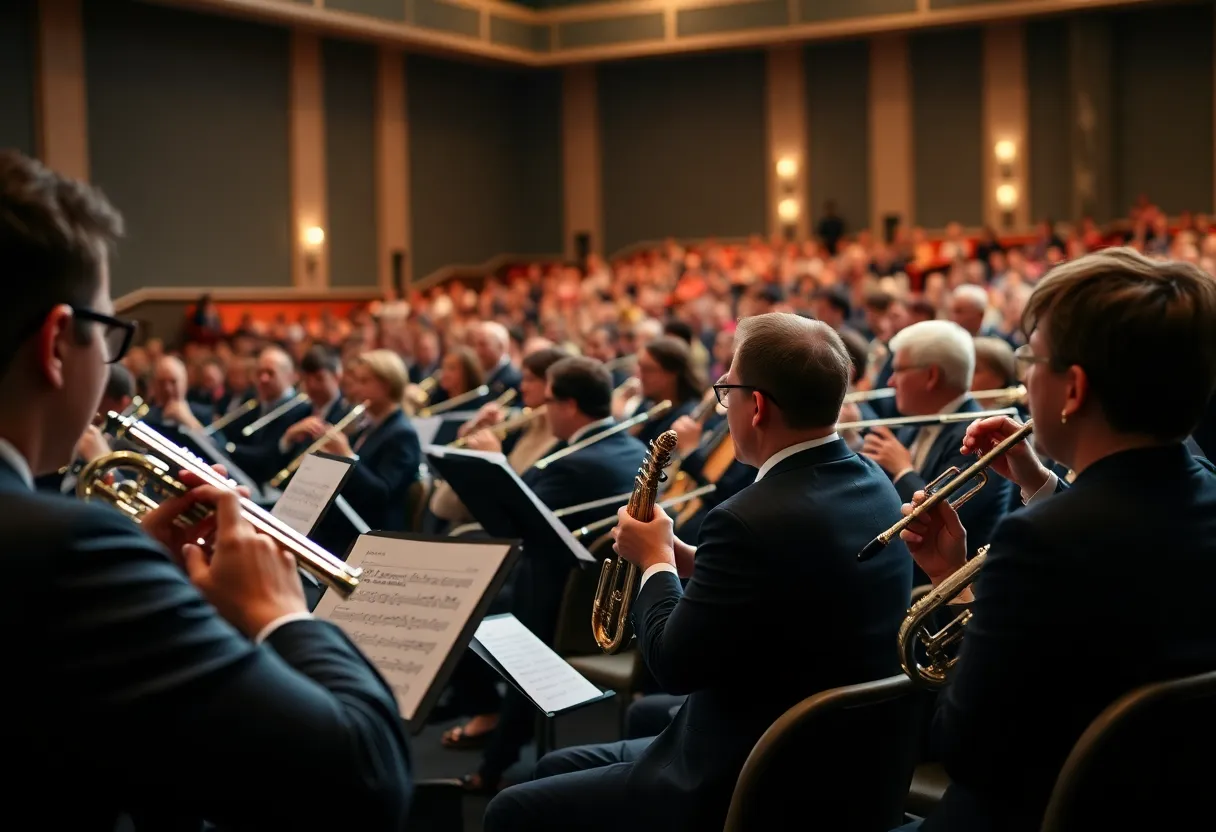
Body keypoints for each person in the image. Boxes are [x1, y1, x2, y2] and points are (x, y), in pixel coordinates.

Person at [0, 149, 411, 829]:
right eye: (108, 336)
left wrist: (143, 583)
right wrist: (281, 614)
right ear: (56, 343)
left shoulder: (77, 553)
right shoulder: (72, 551)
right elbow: (364, 781)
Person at [483, 313, 913, 831]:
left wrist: (655, 560)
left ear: (755, 406)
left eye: (726, 388)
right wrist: (689, 557)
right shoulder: (873, 481)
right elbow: (789, 584)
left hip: (746, 774)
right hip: (835, 760)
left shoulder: (749, 516)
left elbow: (673, 664)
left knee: (512, 809)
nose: (722, 402)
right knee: (554, 766)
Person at [894, 248, 1216, 831]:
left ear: (1073, 390)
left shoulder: (1040, 545)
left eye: (1030, 359)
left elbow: (963, 745)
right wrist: (1040, 484)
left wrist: (953, 584)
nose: (1023, 377)